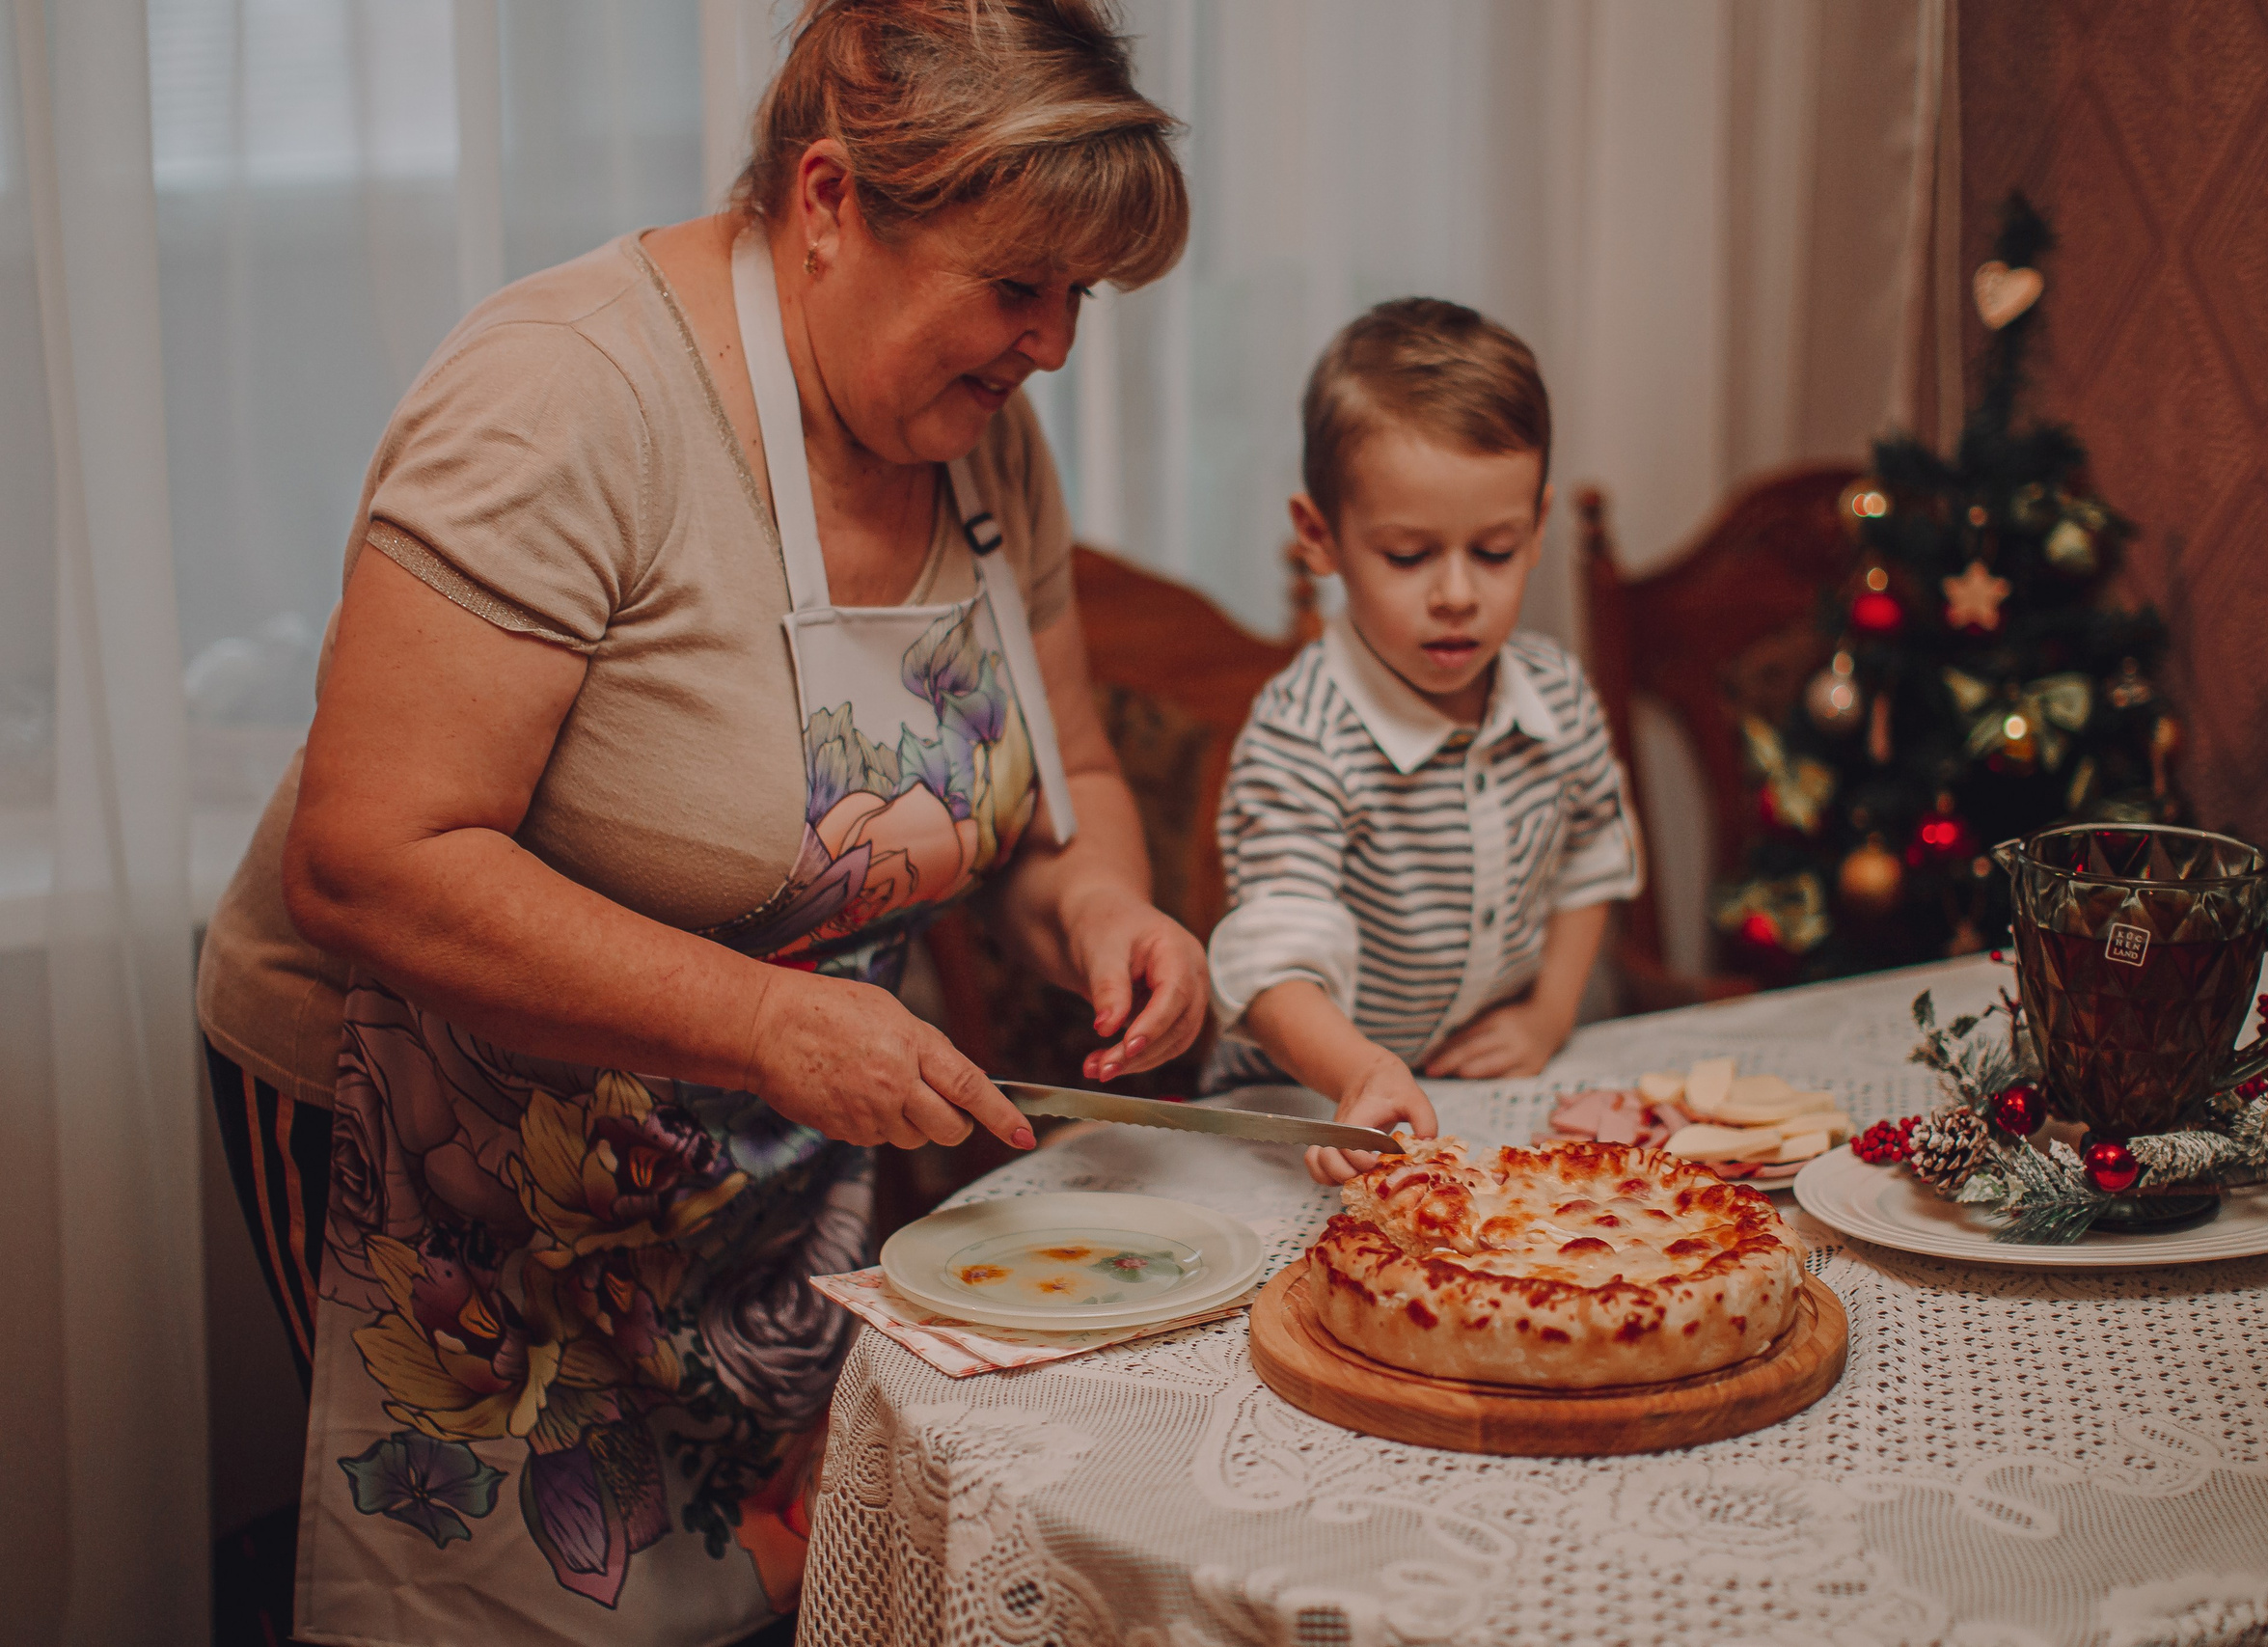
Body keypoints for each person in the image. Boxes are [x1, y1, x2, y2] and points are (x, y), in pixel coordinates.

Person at [191, 3, 1205, 1641]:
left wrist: (1105, 908)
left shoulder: (980, 440)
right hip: (449, 1139)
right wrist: (771, 1022)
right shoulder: (567, 398)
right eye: (1019, 284)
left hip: (746, 1146)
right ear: (829, 201)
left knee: (754, 1588)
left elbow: (1060, 785)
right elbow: (372, 860)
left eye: (1079, 297)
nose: (1053, 347)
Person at [1205, 298, 1644, 1185]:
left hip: (1468, 1096)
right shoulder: (1301, 736)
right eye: (1408, 555)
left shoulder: (1557, 695)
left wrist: (1550, 1013)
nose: (1456, 595)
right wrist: (1360, 1071)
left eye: (1495, 550)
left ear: (1538, 526)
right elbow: (1272, 969)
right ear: (1320, 537)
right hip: (1306, 1106)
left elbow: (1593, 853)